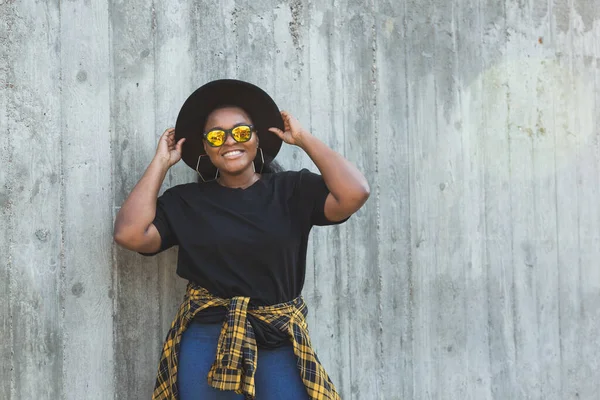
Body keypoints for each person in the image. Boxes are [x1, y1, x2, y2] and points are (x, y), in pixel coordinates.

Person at [113, 79, 370, 400]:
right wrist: (160, 163)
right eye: (217, 136)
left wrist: (303, 139)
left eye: (242, 131)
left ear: (257, 137)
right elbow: (130, 234)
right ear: (205, 148)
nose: (230, 141)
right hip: (207, 337)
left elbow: (355, 193)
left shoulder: (293, 190)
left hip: (275, 334)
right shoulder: (185, 201)